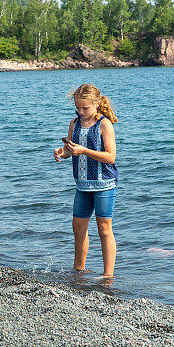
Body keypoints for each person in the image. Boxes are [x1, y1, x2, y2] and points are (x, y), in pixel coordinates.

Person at [53, 84, 119, 278]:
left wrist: (84, 151)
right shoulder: (74, 123)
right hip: (82, 185)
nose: (81, 112)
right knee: (78, 228)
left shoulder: (104, 124)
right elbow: (70, 150)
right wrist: (62, 152)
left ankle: (108, 276)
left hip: (104, 184)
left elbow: (110, 157)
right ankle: (79, 270)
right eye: (78, 108)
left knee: (104, 229)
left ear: (97, 104)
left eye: (85, 108)